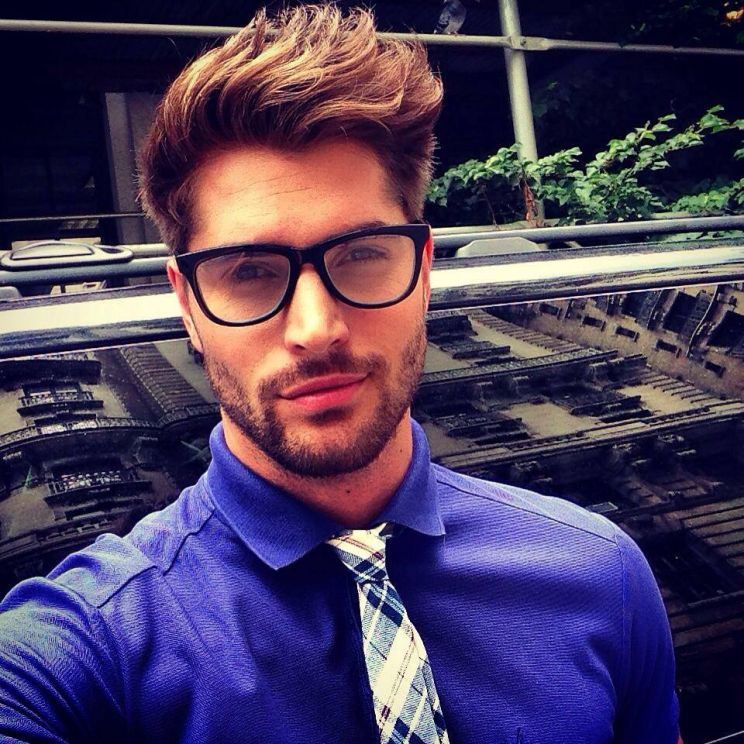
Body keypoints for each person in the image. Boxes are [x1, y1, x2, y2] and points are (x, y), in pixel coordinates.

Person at [0, 5, 680, 743]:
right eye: (249, 271)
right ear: (189, 305)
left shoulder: (599, 575)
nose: (316, 329)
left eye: (360, 255)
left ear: (422, 270)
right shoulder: (91, 645)